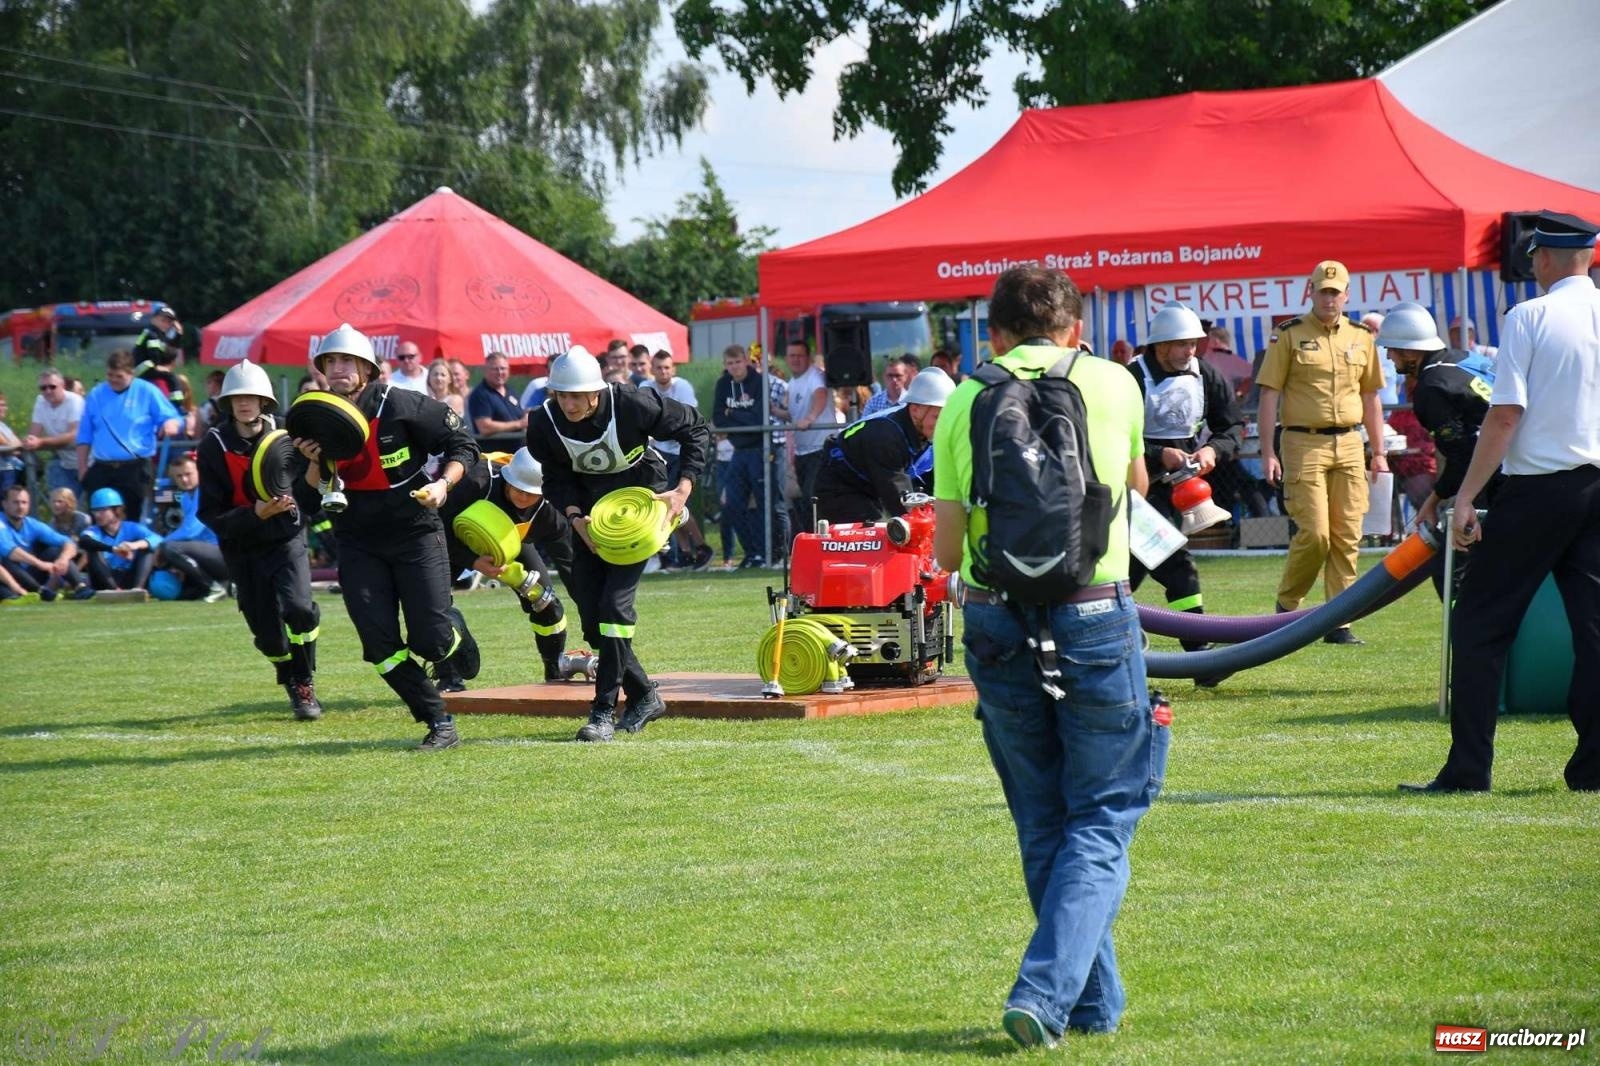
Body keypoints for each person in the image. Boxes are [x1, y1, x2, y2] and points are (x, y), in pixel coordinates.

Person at [932, 265, 1163, 1050]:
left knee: (1043, 819)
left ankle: (1088, 1004)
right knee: (1103, 813)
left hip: (997, 618)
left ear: (991, 335)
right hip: (1095, 612)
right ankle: (1045, 991)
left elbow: (950, 543)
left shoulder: (964, 400)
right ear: (1074, 328)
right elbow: (1133, 483)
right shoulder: (1113, 383)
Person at [1402, 211, 1600, 794]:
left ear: (1544, 257)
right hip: (1596, 486)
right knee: (1593, 631)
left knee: (1481, 624)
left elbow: (1506, 413)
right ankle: (1593, 768)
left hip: (1540, 487)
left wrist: (1464, 496)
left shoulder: (1529, 316)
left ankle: (1468, 769)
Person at [293, 324, 480, 751]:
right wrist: (313, 464)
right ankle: (437, 719)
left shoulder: (404, 405)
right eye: (330, 362)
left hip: (416, 532)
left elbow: (462, 446)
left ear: (367, 368)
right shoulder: (311, 418)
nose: (337, 369)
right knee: (380, 646)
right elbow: (306, 496)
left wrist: (443, 486)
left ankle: (455, 636)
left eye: (346, 361)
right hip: (358, 540)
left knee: (429, 639)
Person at [525, 345, 711, 742]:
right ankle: (645, 695)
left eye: (577, 395)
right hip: (591, 517)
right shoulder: (542, 422)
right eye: (562, 395)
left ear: (596, 390)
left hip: (641, 507)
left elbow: (695, 427)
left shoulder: (631, 403)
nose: (569, 404)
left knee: (614, 608)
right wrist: (575, 519)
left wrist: (682, 490)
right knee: (594, 622)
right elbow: (555, 479)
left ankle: (603, 712)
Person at [1256, 260, 1388, 644]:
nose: (1329, 298)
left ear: (1347, 295)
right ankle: (1286, 608)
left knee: (1348, 534)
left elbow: (1371, 396)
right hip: (1302, 441)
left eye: (1335, 292)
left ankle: (1339, 621)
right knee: (1315, 535)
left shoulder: (1362, 336)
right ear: (1309, 293)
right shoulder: (1288, 335)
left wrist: (1378, 451)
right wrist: (1268, 451)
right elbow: (1269, 395)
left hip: (1350, 442)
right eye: (1322, 290)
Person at [197, 361, 324, 719]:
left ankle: (304, 680)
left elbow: (309, 498)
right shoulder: (213, 445)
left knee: (300, 609)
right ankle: (288, 673)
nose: (244, 403)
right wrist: (255, 514)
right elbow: (209, 512)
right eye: (237, 397)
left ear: (264, 400)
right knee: (269, 638)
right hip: (242, 547)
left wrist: (315, 467)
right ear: (228, 403)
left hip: (286, 540)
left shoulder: (288, 435)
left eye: (251, 396)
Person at [1127, 304, 1244, 675]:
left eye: (1193, 343)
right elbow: (1111, 436)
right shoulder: (1131, 377)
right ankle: (1201, 655)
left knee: (1133, 572)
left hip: (1179, 491)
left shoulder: (1206, 375)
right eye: (1181, 344)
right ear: (1158, 345)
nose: (1189, 351)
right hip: (1135, 488)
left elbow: (1232, 428)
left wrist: (1212, 450)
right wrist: (1159, 454)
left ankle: (1192, 653)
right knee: (1175, 567)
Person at [441, 449, 577, 681]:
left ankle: (555, 671)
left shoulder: (550, 512)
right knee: (434, 609)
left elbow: (571, 565)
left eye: (531, 494)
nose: (523, 498)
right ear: (507, 478)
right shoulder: (477, 482)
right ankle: (449, 678)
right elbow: (435, 528)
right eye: (517, 489)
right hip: (450, 542)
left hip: (512, 544)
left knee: (547, 604)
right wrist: (472, 561)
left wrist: (593, 609)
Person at [1376, 304, 1494, 542]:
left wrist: (1432, 502)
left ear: (1410, 352)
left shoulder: (1431, 389)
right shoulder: (1463, 357)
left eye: (1391, 349)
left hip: (1498, 478)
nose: (1388, 356)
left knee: (1455, 568)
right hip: (1530, 464)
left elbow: (1463, 458)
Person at [815, 367, 953, 524]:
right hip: (840, 487)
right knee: (883, 534)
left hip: (872, 485)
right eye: (937, 417)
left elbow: (938, 489)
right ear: (915, 410)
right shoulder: (885, 436)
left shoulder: (929, 432)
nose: (944, 425)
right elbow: (900, 502)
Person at [76, 350, 184, 523]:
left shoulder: (147, 391)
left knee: (133, 517)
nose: (113, 380)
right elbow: (84, 435)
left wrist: (172, 423)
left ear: (131, 373)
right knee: (99, 516)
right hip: (102, 466)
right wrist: (82, 468)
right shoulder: (96, 394)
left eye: (118, 376)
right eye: (110, 375)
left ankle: (133, 548)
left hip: (135, 467)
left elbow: (174, 417)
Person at [641, 349, 714, 570]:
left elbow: (688, 420)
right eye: (659, 367)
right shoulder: (646, 389)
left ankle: (701, 548)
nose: (663, 371)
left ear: (673, 369)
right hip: (658, 453)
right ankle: (685, 553)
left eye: (667, 367)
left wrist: (659, 431)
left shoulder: (682, 387)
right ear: (652, 369)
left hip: (681, 451)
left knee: (676, 503)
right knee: (665, 505)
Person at [777, 339, 842, 541]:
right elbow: (794, 416)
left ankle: (824, 540)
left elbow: (820, 396)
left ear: (809, 358)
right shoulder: (793, 382)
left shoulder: (815, 376)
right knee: (801, 500)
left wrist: (811, 418)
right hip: (801, 451)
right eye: (791, 355)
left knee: (812, 496)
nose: (795, 359)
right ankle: (812, 541)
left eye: (800, 355)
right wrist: (775, 412)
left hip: (820, 448)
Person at [155, 453, 229, 602]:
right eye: (179, 476)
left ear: (199, 472)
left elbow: (190, 531)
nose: (184, 479)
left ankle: (214, 587)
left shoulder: (206, 492)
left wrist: (159, 545)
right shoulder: (186, 497)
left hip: (225, 553)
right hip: (208, 553)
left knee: (169, 547)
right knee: (185, 594)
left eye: (188, 474)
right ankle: (223, 586)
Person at [1, 483, 86, 600]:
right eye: (15, 502)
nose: (20, 506)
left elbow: (68, 542)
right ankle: (39, 591)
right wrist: (40, 564)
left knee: (54, 551)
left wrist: (63, 559)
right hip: (6, 577)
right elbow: (9, 551)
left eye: (24, 503)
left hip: (29, 573)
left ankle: (80, 587)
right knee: (5, 560)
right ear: (4, 504)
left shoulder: (32, 524)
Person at [79, 487, 162, 591]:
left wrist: (134, 545)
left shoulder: (132, 527)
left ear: (117, 510)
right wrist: (113, 549)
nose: (97, 515)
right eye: (95, 511)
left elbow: (158, 539)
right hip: (105, 579)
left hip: (129, 576)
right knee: (93, 550)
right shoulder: (94, 530)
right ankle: (114, 590)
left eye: (103, 510)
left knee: (148, 549)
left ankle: (138, 588)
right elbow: (84, 541)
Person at [26, 367, 85, 498]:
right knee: (63, 507)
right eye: (43, 388)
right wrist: (29, 442)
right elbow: (33, 433)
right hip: (64, 461)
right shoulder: (40, 401)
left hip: (88, 462)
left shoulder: (75, 401)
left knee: (92, 509)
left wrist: (40, 442)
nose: (48, 391)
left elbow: (74, 435)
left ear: (62, 385)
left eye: (52, 387)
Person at [467, 350, 528, 438]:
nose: (500, 372)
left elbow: (519, 416)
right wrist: (519, 424)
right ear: (485, 370)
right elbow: (485, 427)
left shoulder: (511, 391)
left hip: (517, 447)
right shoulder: (480, 394)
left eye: (503, 368)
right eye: (495, 369)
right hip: (493, 449)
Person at [0, 392, 22, 491]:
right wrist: (13, 447)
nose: (5, 408)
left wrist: (14, 447)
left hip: (10, 468)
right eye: (1, 405)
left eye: (5, 405)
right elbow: (6, 444)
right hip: (4, 470)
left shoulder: (3, 426)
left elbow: (19, 444)